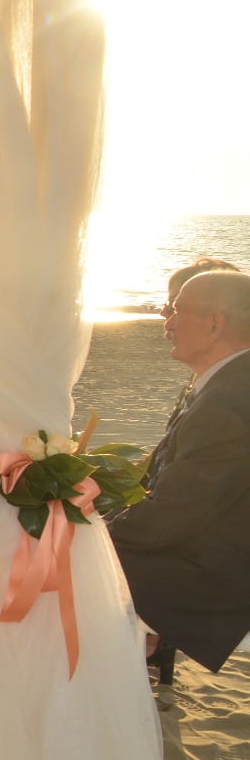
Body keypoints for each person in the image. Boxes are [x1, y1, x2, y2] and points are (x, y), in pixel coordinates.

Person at [106, 269, 250, 676]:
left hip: (223, 573)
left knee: (70, 576)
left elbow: (171, 517)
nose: (166, 322)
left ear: (215, 324)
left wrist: (91, 537)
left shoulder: (227, 404)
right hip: (210, 538)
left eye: (175, 310)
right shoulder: (228, 382)